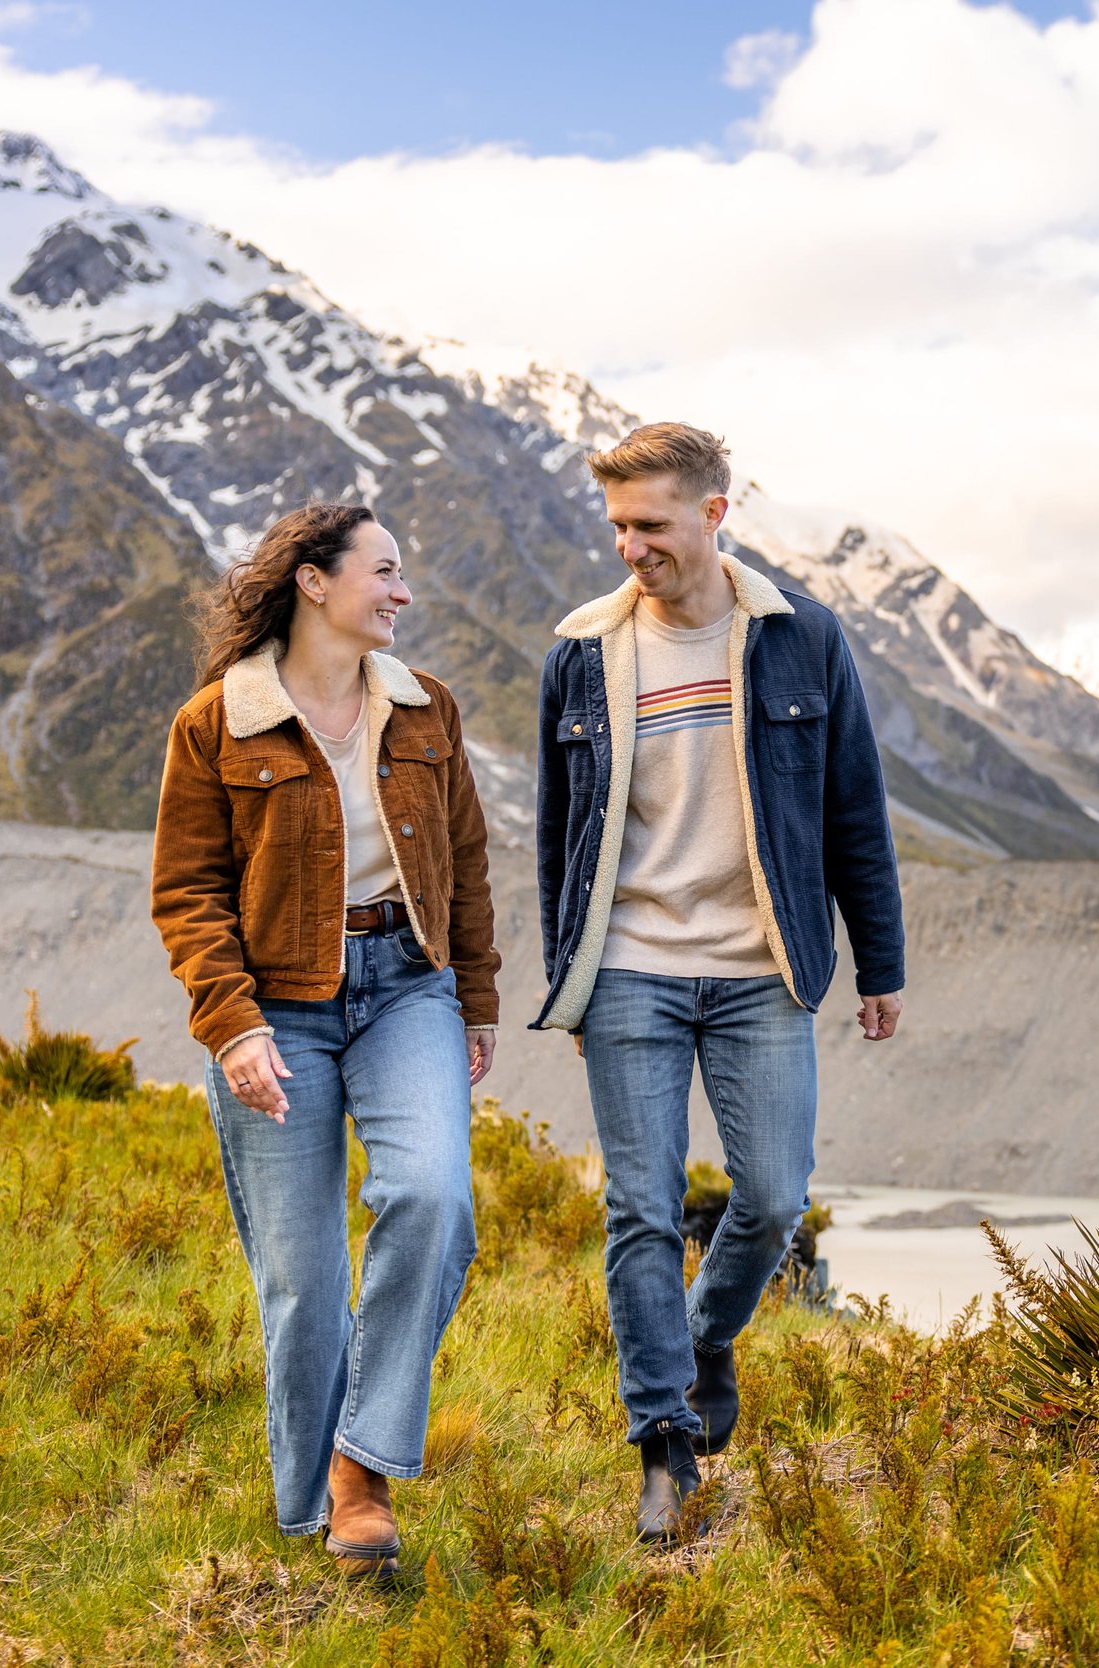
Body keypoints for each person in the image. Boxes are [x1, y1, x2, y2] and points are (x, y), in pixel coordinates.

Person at [533, 423, 904, 1543]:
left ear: (713, 514)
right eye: (616, 526)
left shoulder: (802, 640)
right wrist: (576, 981)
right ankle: (664, 1443)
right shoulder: (581, 653)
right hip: (635, 966)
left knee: (774, 1198)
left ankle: (704, 1342)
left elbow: (854, 813)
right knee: (639, 1208)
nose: (630, 547)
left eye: (650, 525)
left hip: (759, 968)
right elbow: (562, 837)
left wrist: (878, 965)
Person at [150, 502, 499, 1576]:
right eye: (383, 571)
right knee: (300, 1280)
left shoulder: (425, 709)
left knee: (435, 1198)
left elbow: (469, 862)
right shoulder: (217, 722)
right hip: (275, 1007)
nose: (401, 592)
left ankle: (362, 1466)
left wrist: (475, 999)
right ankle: (318, 1521)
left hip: (407, 989)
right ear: (313, 581)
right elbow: (187, 893)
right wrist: (231, 1021)